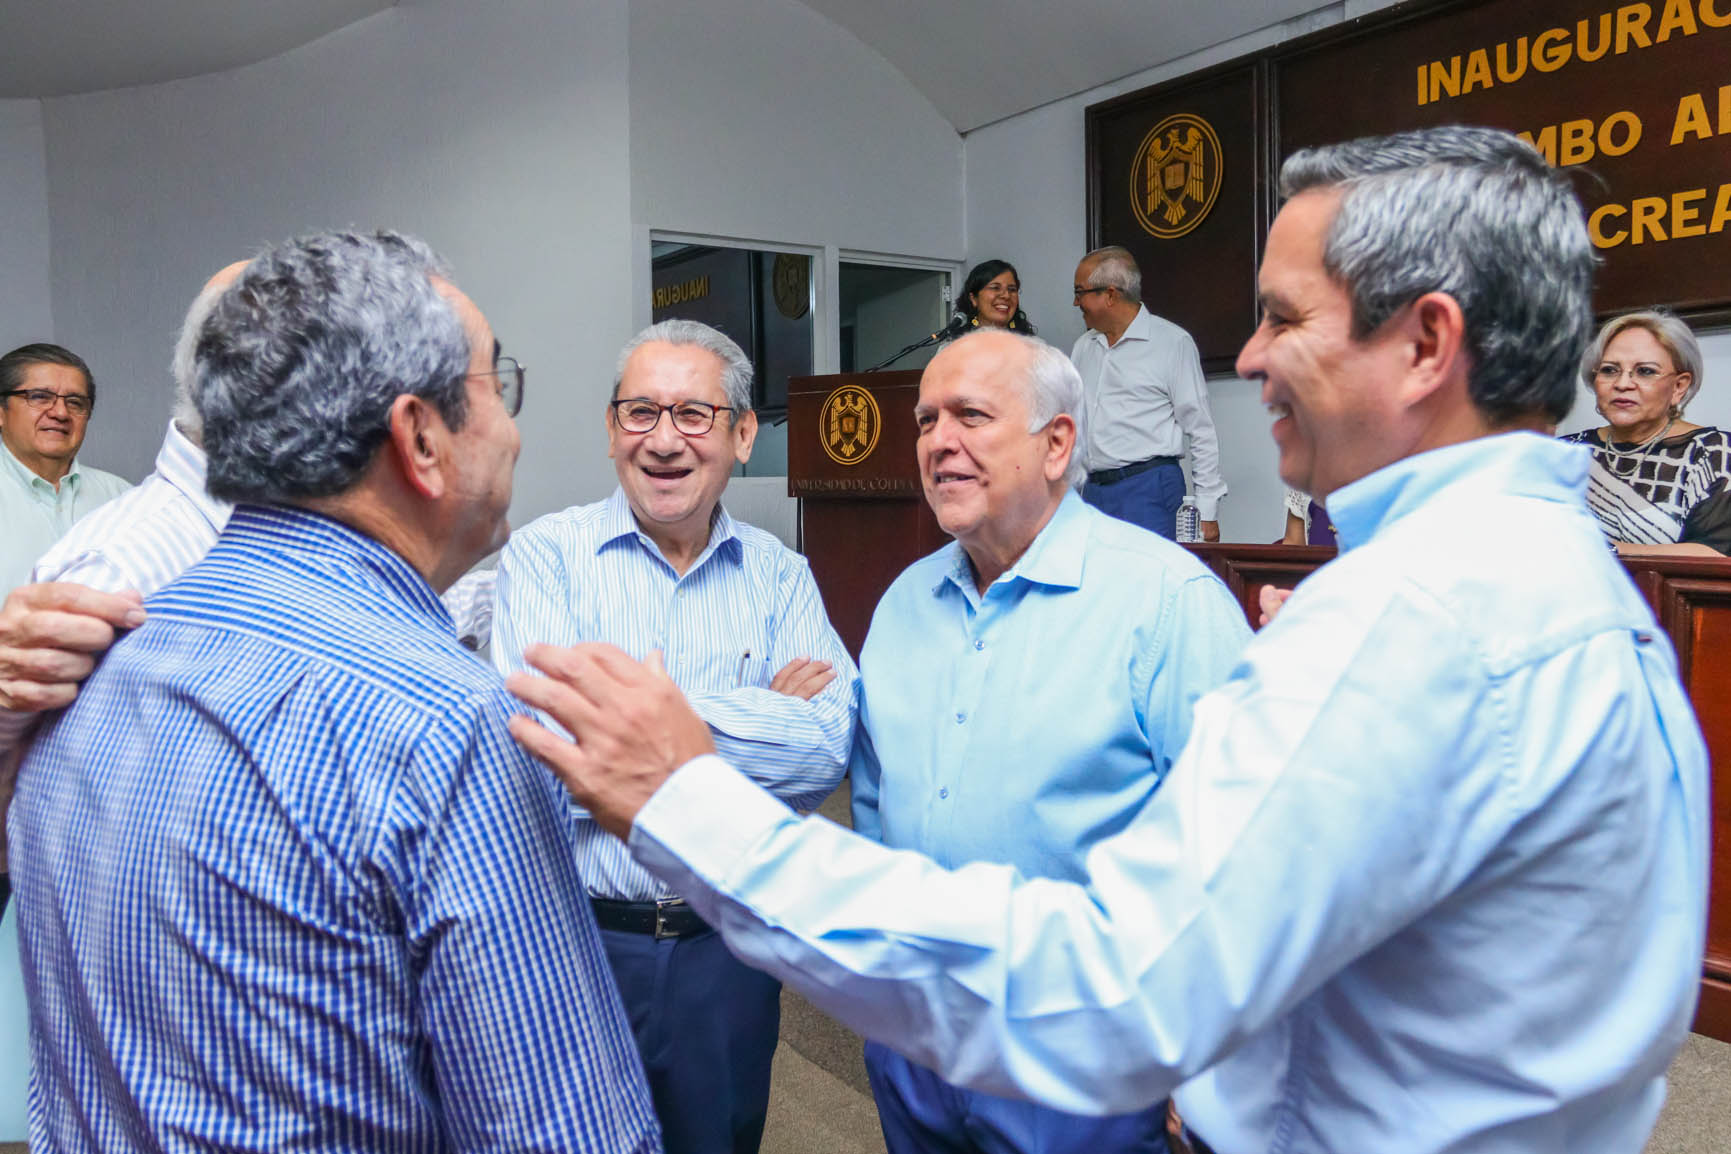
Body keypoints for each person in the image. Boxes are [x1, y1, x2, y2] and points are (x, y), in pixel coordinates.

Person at [506, 126, 1708, 1154]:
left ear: (1427, 343)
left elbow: (1106, 989)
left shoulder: (1413, 620)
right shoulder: (1549, 581)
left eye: (1284, 317)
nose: (1248, 356)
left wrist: (687, 794)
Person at [10, 230, 659, 1152]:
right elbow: (562, 1132)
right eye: (497, 385)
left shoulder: (94, 664)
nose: (513, 429)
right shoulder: (450, 729)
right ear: (421, 438)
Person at [848, 327, 1248, 1152]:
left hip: (1083, 1050)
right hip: (917, 1037)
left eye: (969, 416)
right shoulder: (903, 604)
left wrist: (1206, 1062)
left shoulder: (1166, 602)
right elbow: (876, 803)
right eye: (925, 421)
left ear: (1056, 443)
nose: (937, 443)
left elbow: (1237, 853)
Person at [491, 318, 857, 1154]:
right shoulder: (546, 557)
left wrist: (628, 719)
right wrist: (753, 713)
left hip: (728, 956)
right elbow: (545, 751)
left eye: (693, 414)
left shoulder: (779, 574)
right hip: (576, 945)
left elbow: (825, 749)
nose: (663, 440)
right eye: (640, 412)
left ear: (742, 435)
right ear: (610, 428)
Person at [1070, 247, 1224, 542]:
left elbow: (1201, 429)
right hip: (1092, 492)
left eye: (1080, 293)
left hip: (1149, 488)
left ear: (1110, 295)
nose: (1076, 302)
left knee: (1151, 572)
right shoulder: (1083, 347)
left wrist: (1207, 510)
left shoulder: (1172, 342)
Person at [1560, 310, 1730, 556]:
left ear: (1679, 386)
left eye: (1645, 371)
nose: (1622, 384)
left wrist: (1610, 551)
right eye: (1609, 370)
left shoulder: (1713, 454)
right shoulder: (1564, 453)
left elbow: (1717, 553)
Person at [0, 344, 131, 595]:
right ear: (1, 412)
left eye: (75, 402)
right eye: (39, 397)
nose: (61, 413)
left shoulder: (122, 498)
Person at [957, 259, 1036, 334]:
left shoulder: (1028, 342)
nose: (1006, 295)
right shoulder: (957, 342)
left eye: (1012, 289)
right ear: (974, 299)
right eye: (995, 288)